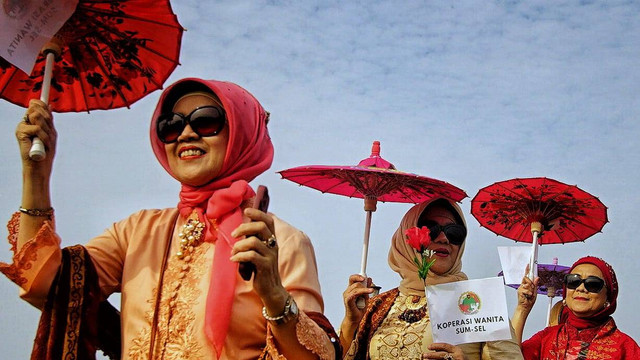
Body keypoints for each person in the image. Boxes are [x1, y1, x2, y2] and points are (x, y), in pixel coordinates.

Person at [0, 78, 338, 359]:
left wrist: (275, 295)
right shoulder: (137, 232)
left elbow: (319, 356)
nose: (187, 135)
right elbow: (46, 285)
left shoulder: (280, 240)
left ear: (242, 133)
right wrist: (36, 175)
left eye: (206, 120)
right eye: (171, 126)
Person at [339, 197, 523, 360]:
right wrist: (351, 323)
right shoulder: (377, 306)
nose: (444, 239)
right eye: (431, 229)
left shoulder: (479, 303)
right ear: (406, 240)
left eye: (454, 232)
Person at [513, 256, 640, 359]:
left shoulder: (625, 348)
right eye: (573, 281)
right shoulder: (547, 338)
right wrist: (522, 309)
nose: (581, 288)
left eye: (593, 284)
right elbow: (506, 355)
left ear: (608, 297)